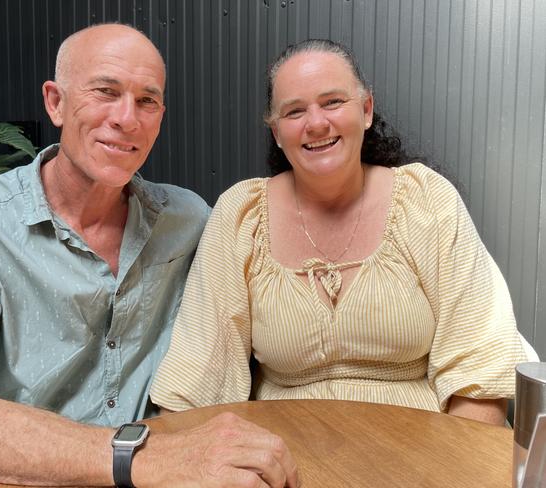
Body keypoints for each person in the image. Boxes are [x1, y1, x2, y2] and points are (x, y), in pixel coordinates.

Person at [0, 24, 299, 488]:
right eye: (105, 92)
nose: (127, 118)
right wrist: (141, 459)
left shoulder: (188, 218)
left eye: (147, 101)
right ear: (55, 102)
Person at [150, 39, 528, 426]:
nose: (316, 123)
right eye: (295, 111)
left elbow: (480, 374)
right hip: (282, 456)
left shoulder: (427, 200)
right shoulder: (240, 214)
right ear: (277, 132)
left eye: (332, 102)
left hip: (423, 456)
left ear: (366, 110)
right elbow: (198, 376)